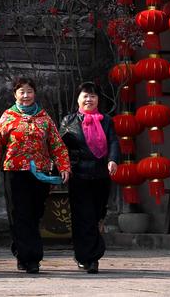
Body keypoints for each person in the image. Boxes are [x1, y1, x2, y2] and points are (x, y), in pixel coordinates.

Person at [0, 76, 71, 274]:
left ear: (35, 93)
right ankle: (30, 258)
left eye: (29, 91)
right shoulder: (7, 117)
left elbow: (57, 145)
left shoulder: (44, 118)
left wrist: (64, 166)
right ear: (15, 94)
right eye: (21, 91)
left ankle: (23, 252)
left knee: (35, 214)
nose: (25, 95)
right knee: (19, 215)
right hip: (14, 173)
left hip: (40, 173)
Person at [59, 83, 121, 274]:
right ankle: (90, 258)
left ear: (98, 100)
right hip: (79, 175)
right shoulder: (68, 121)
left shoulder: (107, 121)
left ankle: (86, 255)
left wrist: (112, 160)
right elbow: (60, 148)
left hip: (101, 175)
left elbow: (113, 142)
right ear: (78, 99)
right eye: (85, 96)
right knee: (83, 216)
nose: (89, 100)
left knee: (96, 215)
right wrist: (63, 167)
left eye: (93, 96)